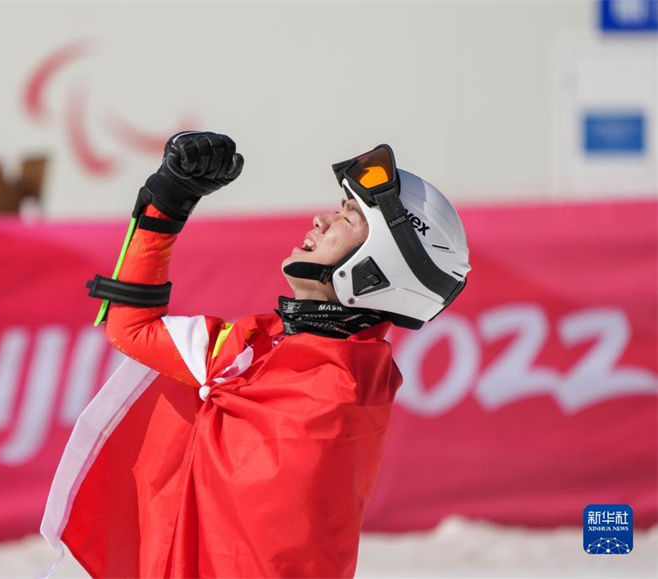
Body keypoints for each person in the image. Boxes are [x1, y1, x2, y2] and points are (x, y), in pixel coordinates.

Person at [40, 131, 471, 578]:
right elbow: (132, 328)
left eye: (350, 217)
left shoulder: (342, 392)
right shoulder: (265, 346)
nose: (321, 220)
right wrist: (167, 200)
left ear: (380, 267)